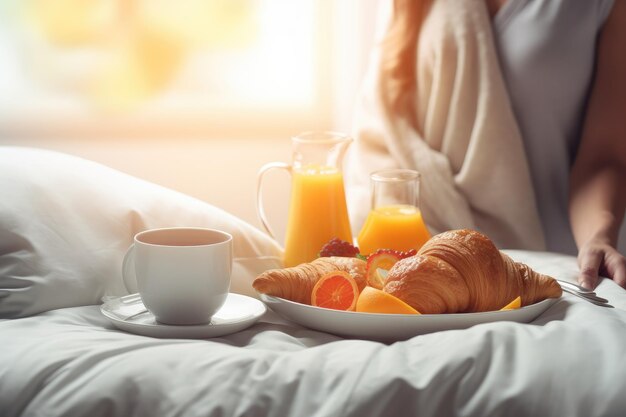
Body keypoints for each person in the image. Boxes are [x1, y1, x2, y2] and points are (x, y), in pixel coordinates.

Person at [345, 0, 626, 290]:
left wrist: (599, 236)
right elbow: (389, 122)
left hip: (563, 269)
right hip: (431, 262)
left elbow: (604, 153)